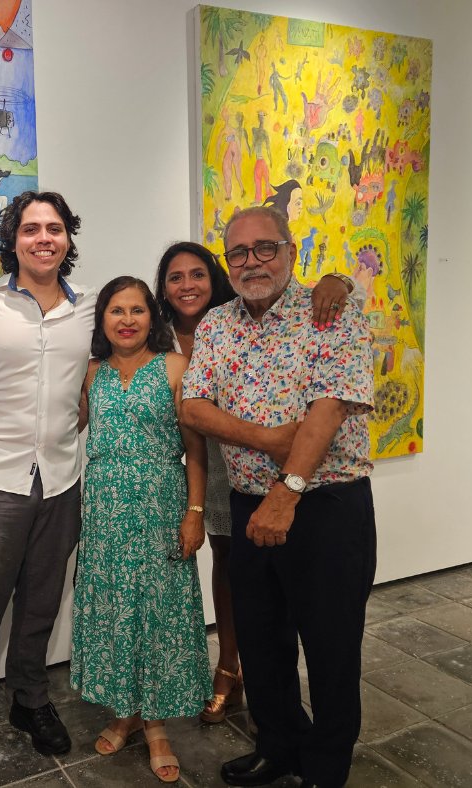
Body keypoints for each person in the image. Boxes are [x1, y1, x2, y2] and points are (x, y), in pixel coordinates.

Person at [181, 207, 376, 788]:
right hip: (246, 502)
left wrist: (287, 490)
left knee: (331, 644)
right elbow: (193, 407)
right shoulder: (217, 325)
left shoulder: (332, 309)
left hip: (325, 506)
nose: (251, 262)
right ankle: (279, 744)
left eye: (264, 248)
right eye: (238, 253)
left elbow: (331, 405)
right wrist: (266, 439)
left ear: (291, 250)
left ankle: (326, 766)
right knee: (263, 643)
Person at [155, 243, 353, 726]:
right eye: (175, 277)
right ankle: (231, 680)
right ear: (163, 286)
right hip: (188, 463)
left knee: (231, 564)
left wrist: (340, 281)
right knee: (232, 575)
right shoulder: (154, 333)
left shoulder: (236, 317)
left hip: (242, 463)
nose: (187, 285)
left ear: (215, 276)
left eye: (197, 274)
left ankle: (229, 668)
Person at [0, 191, 95, 784]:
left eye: (54, 228)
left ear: (67, 238)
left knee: (40, 603)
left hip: (62, 478)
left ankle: (30, 699)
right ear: (12, 239)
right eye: (31, 228)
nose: (43, 239)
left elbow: (142, 339)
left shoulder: (88, 308)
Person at [70, 276, 211, 783]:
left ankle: (155, 725)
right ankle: (124, 711)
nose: (126, 320)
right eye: (115, 311)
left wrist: (194, 512)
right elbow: (64, 430)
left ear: (152, 317)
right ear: (102, 320)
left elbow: (196, 451)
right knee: (117, 613)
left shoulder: (174, 367)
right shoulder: (91, 375)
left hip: (160, 510)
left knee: (157, 615)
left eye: (136, 310)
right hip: (106, 516)